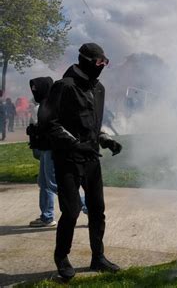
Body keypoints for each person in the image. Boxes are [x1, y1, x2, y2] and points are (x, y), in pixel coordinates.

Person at [42, 43, 122, 279]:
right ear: (85, 60)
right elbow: (51, 125)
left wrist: (106, 139)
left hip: (91, 159)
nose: (102, 68)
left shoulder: (99, 89)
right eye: (99, 63)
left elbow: (93, 125)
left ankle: (98, 257)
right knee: (72, 211)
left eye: (105, 63)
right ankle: (62, 257)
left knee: (97, 209)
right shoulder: (64, 87)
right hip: (68, 159)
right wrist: (76, 145)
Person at [27, 77, 88, 228]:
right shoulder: (45, 105)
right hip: (45, 149)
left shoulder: (51, 106)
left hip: (51, 150)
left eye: (36, 88)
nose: (34, 91)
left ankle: (90, 207)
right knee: (44, 183)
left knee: (55, 185)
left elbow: (53, 128)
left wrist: (35, 130)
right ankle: (47, 216)